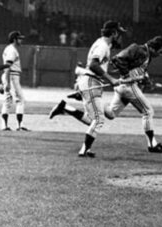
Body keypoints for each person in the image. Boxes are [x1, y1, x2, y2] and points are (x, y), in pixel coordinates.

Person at [48, 20, 122, 158]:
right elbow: (94, 65)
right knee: (99, 120)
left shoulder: (101, 43)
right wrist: (111, 79)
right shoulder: (103, 45)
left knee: (92, 119)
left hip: (91, 82)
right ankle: (84, 150)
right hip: (91, 82)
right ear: (113, 33)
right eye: (119, 33)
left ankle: (65, 108)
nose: (120, 37)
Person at [102, 35, 162, 153]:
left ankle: (99, 103)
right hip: (128, 86)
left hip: (123, 87)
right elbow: (117, 59)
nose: (160, 55)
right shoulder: (138, 49)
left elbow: (140, 71)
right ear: (153, 48)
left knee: (111, 114)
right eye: (160, 52)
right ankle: (152, 145)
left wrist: (147, 81)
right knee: (148, 111)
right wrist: (127, 75)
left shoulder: (146, 55)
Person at [0, 31, 28, 132]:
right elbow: (7, 66)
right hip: (12, 76)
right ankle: (20, 125)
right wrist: (6, 82)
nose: (21, 40)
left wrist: (4, 81)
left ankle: (4, 125)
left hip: (9, 76)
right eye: (19, 38)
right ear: (14, 39)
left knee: (8, 101)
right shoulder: (12, 50)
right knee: (21, 100)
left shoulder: (9, 48)